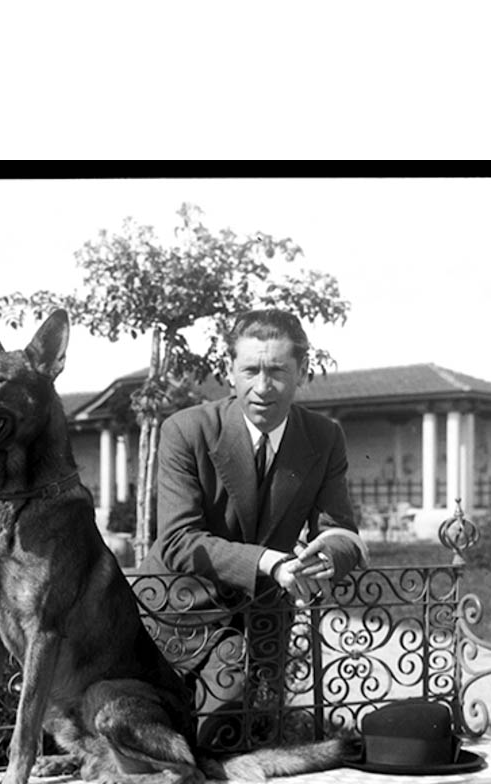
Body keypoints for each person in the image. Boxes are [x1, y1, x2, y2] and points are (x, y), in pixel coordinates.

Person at [139, 308, 367, 750]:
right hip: (174, 618)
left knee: (242, 747)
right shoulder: (186, 430)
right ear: (230, 371)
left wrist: (322, 560)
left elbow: (340, 531)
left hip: (261, 625)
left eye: (279, 371)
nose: (263, 387)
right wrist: (271, 562)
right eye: (251, 370)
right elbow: (177, 541)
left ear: (301, 373)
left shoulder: (324, 437)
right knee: (173, 747)